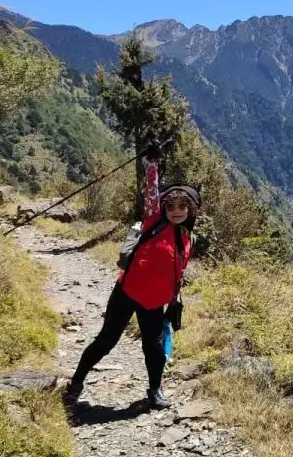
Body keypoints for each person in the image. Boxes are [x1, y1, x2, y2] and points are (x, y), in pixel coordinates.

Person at [63, 142, 200, 410]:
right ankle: (76, 382)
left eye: (183, 206)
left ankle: (155, 389)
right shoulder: (153, 220)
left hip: (155, 303)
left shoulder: (188, 238)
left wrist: (173, 299)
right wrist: (152, 164)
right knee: (106, 340)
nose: (176, 210)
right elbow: (152, 192)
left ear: (192, 209)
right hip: (127, 293)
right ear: (163, 207)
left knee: (154, 348)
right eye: (171, 204)